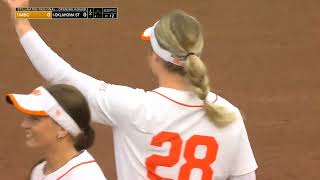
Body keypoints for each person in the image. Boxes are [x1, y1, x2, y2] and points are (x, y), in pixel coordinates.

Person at [4, 0, 258, 179]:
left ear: (155, 58)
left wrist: (23, 24)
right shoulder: (229, 116)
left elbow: (63, 76)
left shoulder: (131, 108)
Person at [6, 84, 107, 180]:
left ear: (62, 129)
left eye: (35, 119)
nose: (24, 124)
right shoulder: (39, 170)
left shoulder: (85, 176)